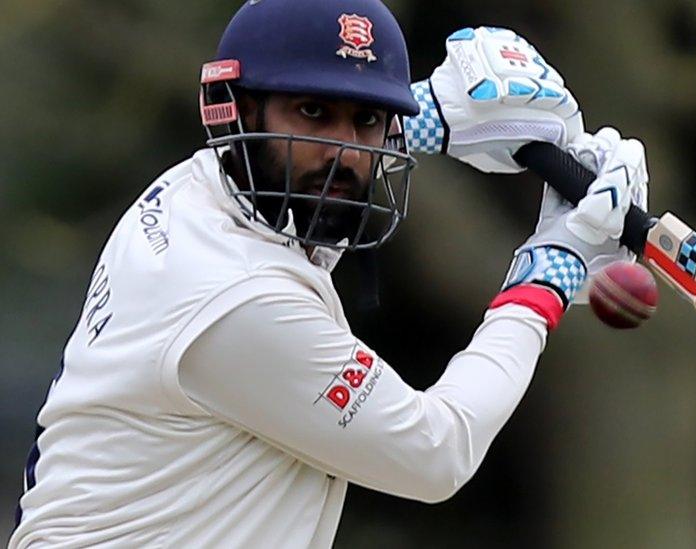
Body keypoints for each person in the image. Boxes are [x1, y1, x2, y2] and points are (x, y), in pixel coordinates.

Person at [9, 0, 648, 547]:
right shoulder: (240, 303)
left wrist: (433, 116)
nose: (343, 152)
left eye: (367, 119)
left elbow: (311, 198)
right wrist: (546, 276)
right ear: (236, 110)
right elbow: (436, 452)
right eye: (313, 112)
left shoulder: (191, 192)